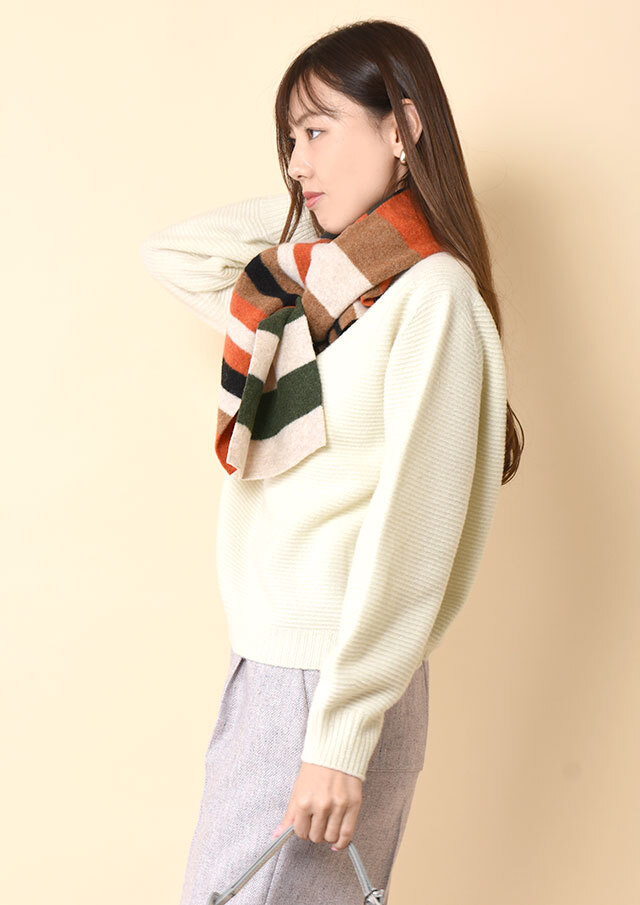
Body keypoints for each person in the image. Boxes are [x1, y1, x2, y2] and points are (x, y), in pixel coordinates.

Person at [139, 18, 524, 905]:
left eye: (317, 130)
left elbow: (415, 533)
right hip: (276, 671)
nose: (296, 163)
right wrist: (317, 217)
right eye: (289, 139)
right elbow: (174, 254)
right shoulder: (304, 304)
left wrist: (339, 736)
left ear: (403, 126)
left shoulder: (432, 297)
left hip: (330, 682)